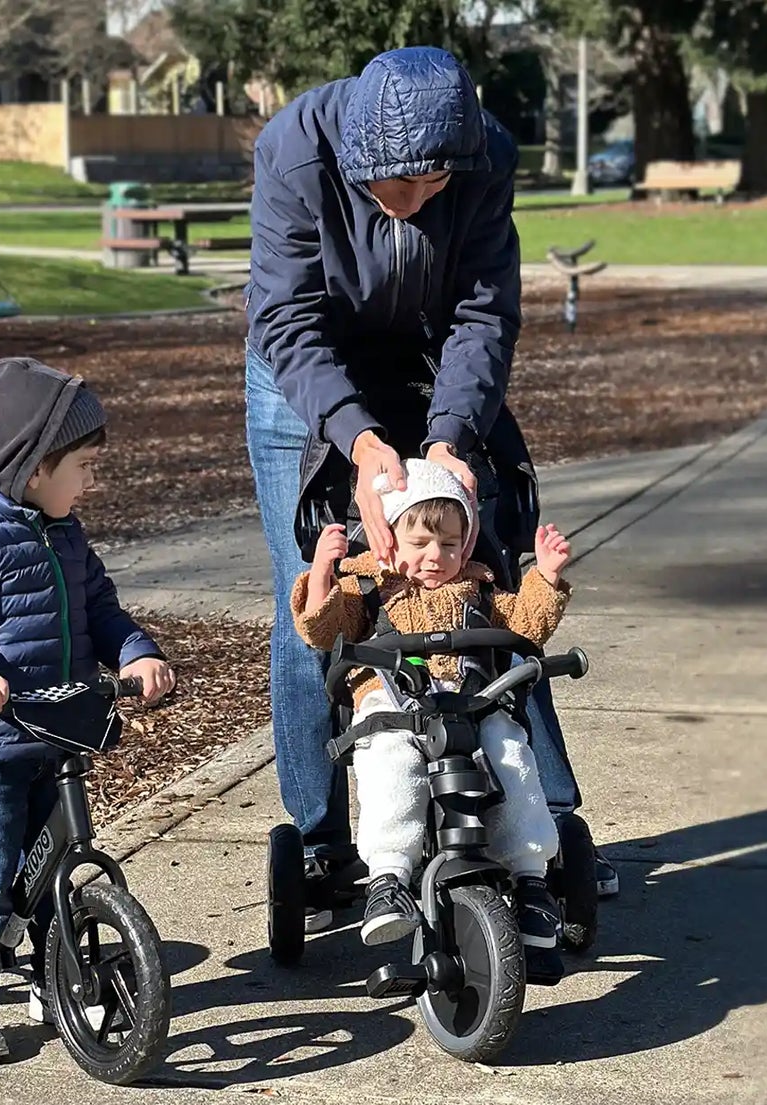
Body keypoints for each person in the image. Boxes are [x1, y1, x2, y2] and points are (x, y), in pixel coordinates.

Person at [243, 45, 615, 921]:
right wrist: (362, 442)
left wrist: (449, 439)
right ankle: (329, 843)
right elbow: (287, 316)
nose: (408, 210)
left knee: (487, 567)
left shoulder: (484, 158)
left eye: (427, 188)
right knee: (315, 586)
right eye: (389, 192)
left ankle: (546, 817)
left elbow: (483, 311)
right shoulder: (294, 151)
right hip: (303, 366)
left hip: (427, 352)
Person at [0, 356, 177, 1066]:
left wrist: (136, 653)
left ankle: (55, 979)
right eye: (81, 466)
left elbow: (103, 612)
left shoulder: (68, 535)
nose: (90, 480)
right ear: (32, 467)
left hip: (61, 726)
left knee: (57, 870)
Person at [290, 460, 574, 956]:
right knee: (390, 762)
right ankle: (389, 877)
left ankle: (530, 877)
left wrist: (545, 578)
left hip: (474, 702)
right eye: (419, 543)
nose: (435, 556)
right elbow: (322, 630)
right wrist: (321, 575)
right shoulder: (370, 590)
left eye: (448, 543)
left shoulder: (478, 587)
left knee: (510, 753)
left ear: (465, 542)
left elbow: (526, 626)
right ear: (390, 539)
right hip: (392, 704)